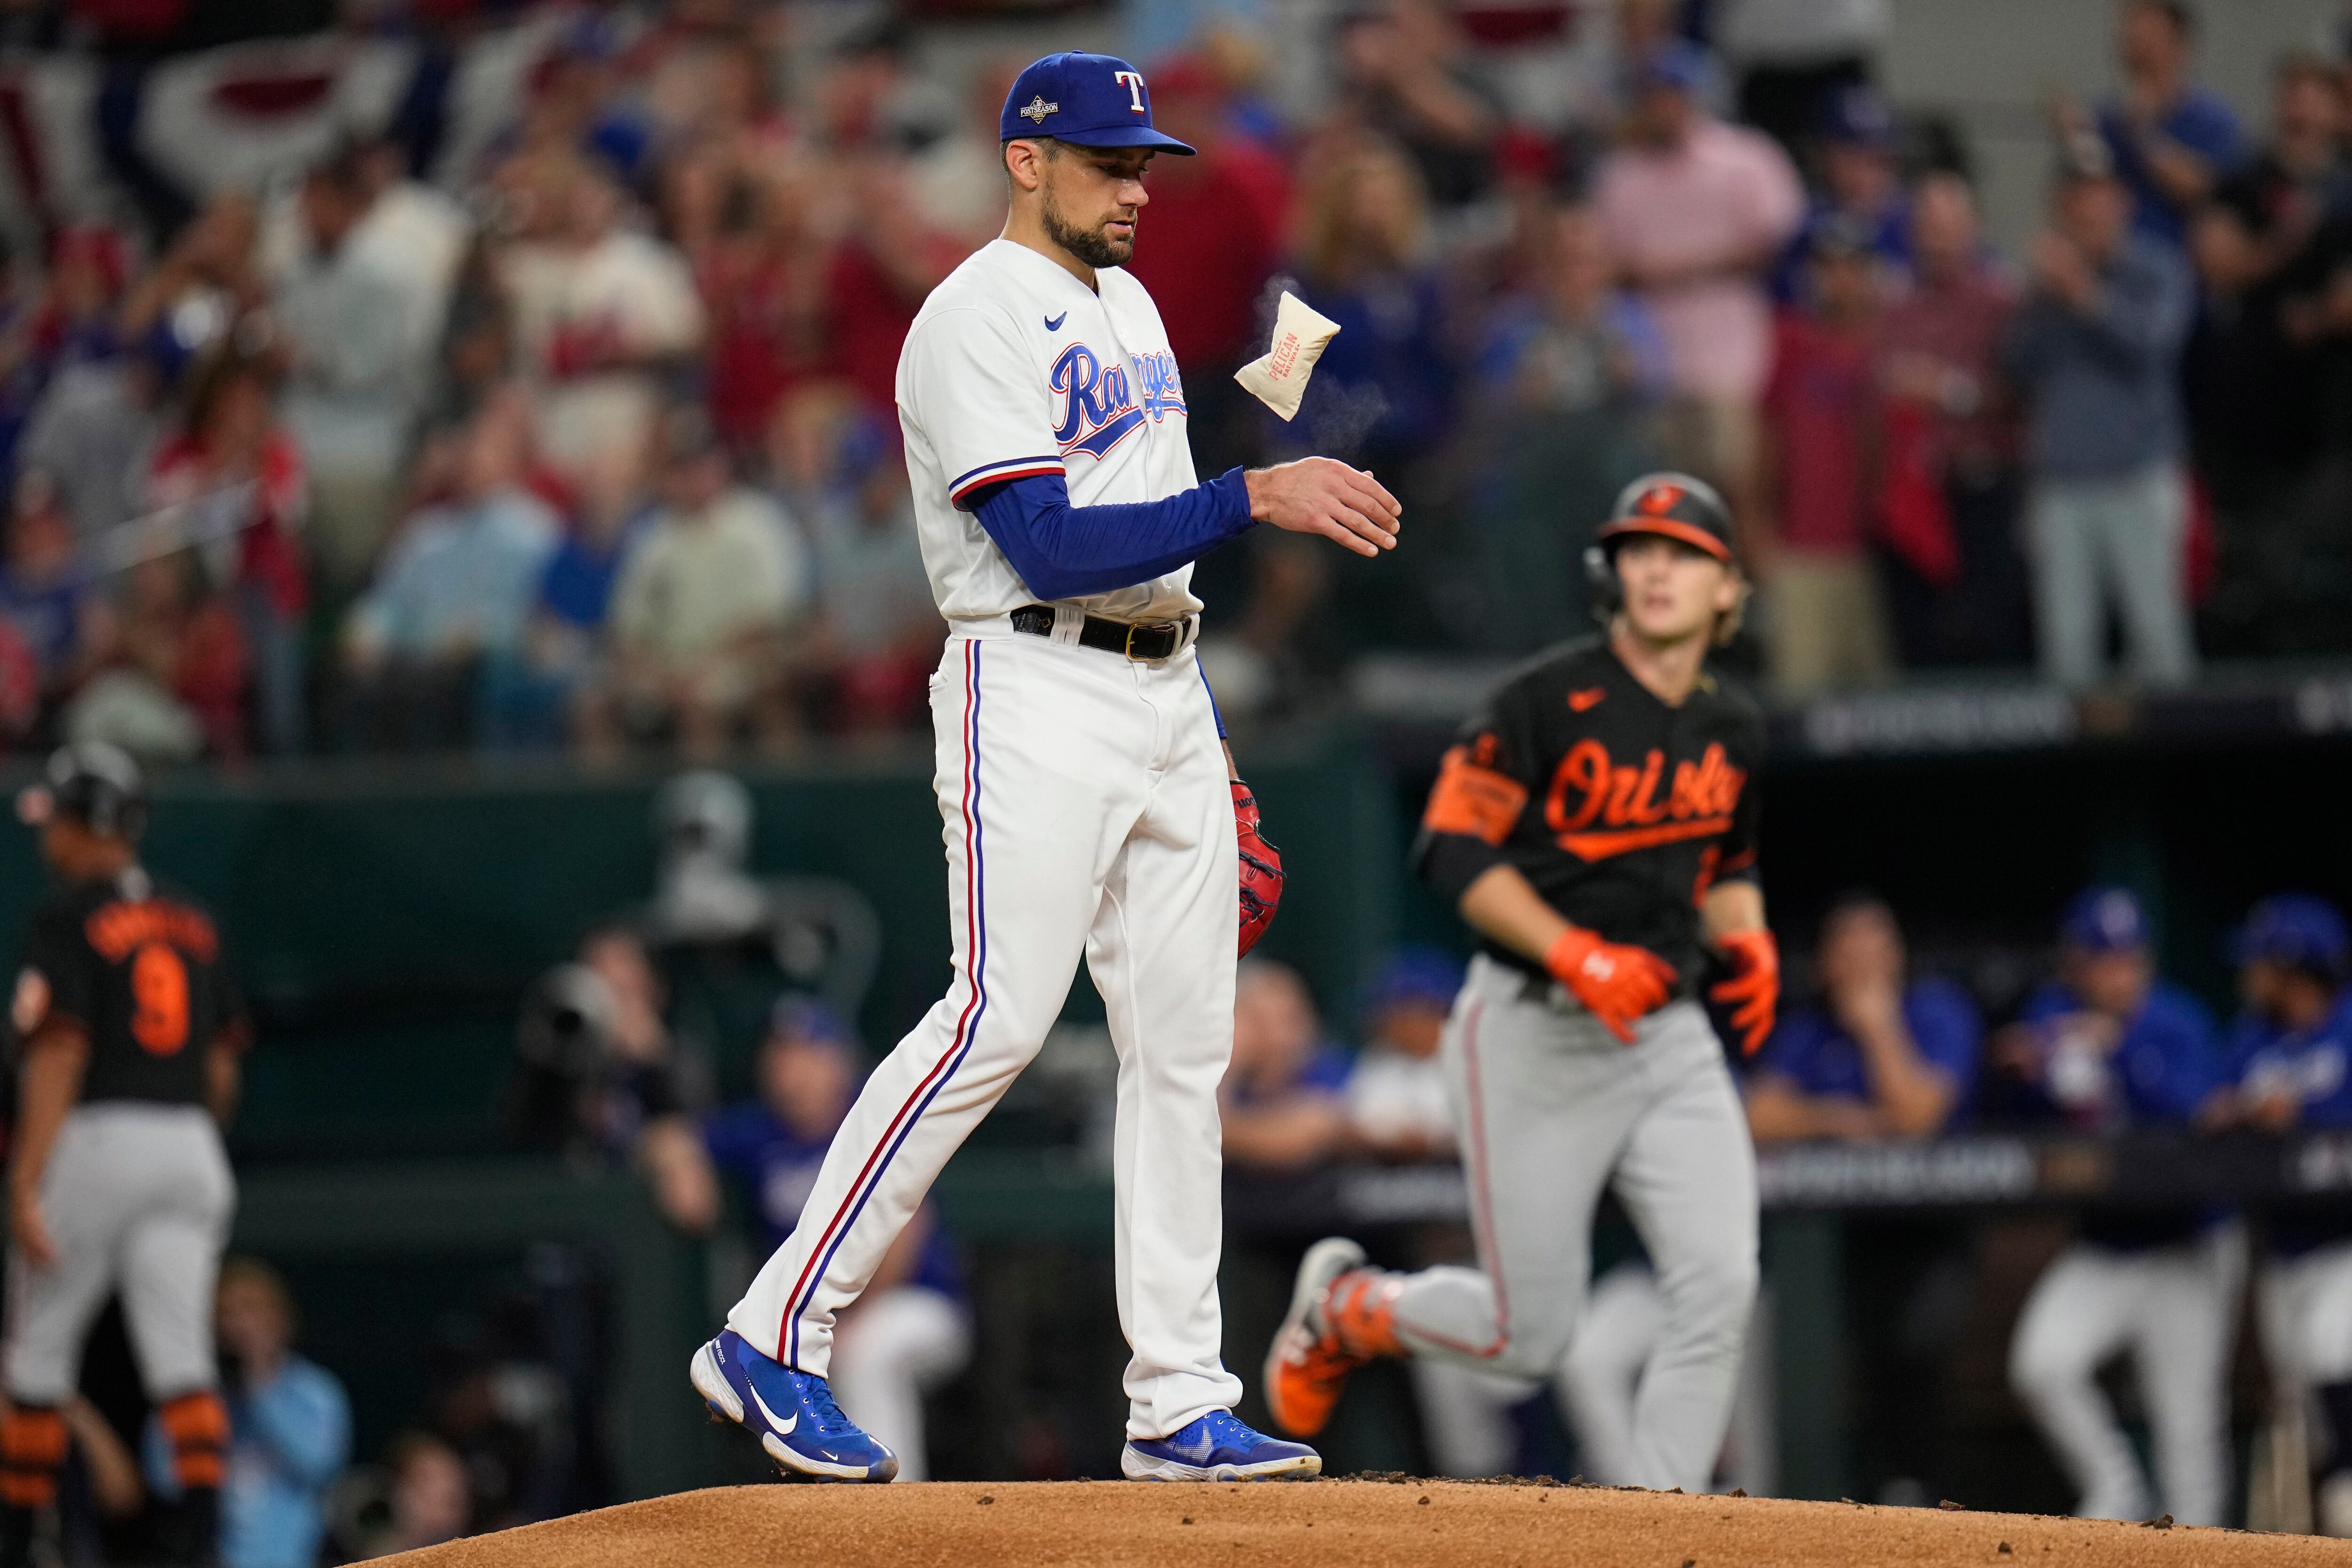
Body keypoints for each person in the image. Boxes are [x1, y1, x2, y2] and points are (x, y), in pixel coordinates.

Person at [691, 51, 1399, 1487]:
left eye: (1143, 163)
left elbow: (1147, 533)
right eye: (1105, 160)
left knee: (1182, 1050)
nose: (1135, 187)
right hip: (1025, 671)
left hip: (1158, 685)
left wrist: (1191, 728)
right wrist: (1255, 490)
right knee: (996, 1016)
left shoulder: (1128, 304)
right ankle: (771, 1332)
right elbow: (1053, 545)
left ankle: (1177, 1400)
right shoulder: (966, 319)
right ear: (1024, 158)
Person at [1264, 472, 1772, 1495]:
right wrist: (1575, 951)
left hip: (1665, 1038)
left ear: (1729, 591)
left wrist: (1748, 939)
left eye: (1686, 554)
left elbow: (1721, 865)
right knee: (1527, 1334)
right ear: (1611, 577)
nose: (1659, 569)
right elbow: (1451, 846)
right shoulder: (1544, 701)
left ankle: (1664, 1520)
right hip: (1532, 1033)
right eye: (1641, 551)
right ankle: (1352, 1306)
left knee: (1720, 1284)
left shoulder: (1731, 726)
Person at [0, 742, 245, 1568]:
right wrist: (192, 1136)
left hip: (100, 1135)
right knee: (182, 1358)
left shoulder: (66, 917)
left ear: (88, 823)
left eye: (57, 819)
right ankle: (207, 1543)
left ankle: (25, 1541)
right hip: (190, 1143)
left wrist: (26, 1178)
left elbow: (58, 1052)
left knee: (35, 1355)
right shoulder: (194, 919)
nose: (48, 839)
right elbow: (219, 1065)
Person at [1998, 886, 2236, 1526]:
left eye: (2127, 958)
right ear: (2075, 964)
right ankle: (2120, 1486)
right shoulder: (2055, 1017)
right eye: (2101, 959)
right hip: (2105, 1245)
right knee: (2042, 1365)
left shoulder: (2178, 1021)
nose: (2116, 973)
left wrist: (2119, 1049)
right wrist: (2021, 1072)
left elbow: (2197, 1116)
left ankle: (2204, 1549)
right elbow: (2029, 1116)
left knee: (2187, 1422)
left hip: (2186, 1245)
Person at [703, 999, 970, 1482]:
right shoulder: (762, 1129)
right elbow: (669, 1138)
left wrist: (838, 1322)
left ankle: (895, 1510)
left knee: (867, 1353)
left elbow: (905, 1241)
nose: (793, 1070)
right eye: (782, 1055)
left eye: (808, 1054)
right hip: (817, 1322)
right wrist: (679, 1166)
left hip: (911, 1303)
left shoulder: (870, 1117)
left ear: (840, 1062)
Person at [2002, 136, 2196, 690]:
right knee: (2066, 652)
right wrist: (2044, 295)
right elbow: (2017, 364)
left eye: (2098, 194)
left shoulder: (2154, 268)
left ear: (2122, 202)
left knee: (2157, 641)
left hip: (2138, 477)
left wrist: (2084, 294)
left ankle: (2181, 772)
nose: (2087, 207)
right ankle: (2075, 778)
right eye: (2075, 196)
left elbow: (2153, 344)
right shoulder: (2043, 286)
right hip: (2061, 485)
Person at [1593, 43, 1804, 526]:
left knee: (1736, 491)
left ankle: (1752, 599)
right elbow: (1607, 266)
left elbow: (1777, 241)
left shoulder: (1743, 157)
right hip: (1652, 363)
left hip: (1731, 360)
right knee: (1661, 502)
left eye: (1670, 94)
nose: (1661, 107)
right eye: (1650, 96)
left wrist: (1672, 272)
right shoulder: (1618, 175)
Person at [2221, 896, 2352, 1536]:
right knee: (2298, 1406)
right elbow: (2214, 1105)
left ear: (2296, 965)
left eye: (2263, 959)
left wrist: (2304, 1121)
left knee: (2335, 1351)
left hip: (2346, 1244)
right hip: (2283, 1251)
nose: (2251, 971)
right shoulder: (2253, 1037)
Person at [578, 407, 810, 760]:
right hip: (664, 670)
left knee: (704, 707)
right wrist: (664, 675)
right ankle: (608, 814)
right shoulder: (652, 535)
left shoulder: (757, 522)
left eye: (701, 464)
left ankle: (715, 812)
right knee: (591, 707)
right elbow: (626, 629)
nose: (692, 476)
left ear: (722, 466)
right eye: (682, 467)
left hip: (739, 663)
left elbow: (774, 618)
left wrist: (702, 670)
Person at [1874, 173, 2029, 669]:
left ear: (1972, 229)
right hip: (1915, 493)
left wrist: (1945, 391)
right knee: (1919, 643)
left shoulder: (2001, 302)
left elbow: (2021, 396)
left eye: (1947, 226)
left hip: (1982, 487)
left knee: (1992, 632)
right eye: (1926, 227)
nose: (1936, 239)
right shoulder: (1896, 309)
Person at [1756, 216, 1896, 697]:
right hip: (1800, 555)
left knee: (1877, 704)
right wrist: (1756, 531)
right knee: (1799, 698)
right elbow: (1764, 440)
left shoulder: (1889, 344)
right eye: (1829, 268)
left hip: (1876, 555)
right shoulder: (1793, 343)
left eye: (1851, 268)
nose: (1840, 280)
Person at [149, 1258, 349, 1568]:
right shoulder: (198, 1398)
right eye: (227, 1313)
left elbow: (319, 1466)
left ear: (281, 1320)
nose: (238, 1324)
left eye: (250, 1310)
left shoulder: (314, 1392)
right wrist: (190, 1388)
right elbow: (162, 1477)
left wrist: (259, 1383)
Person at [1745, 893, 1981, 1142]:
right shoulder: (1806, 1029)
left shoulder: (1939, 1010)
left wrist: (1877, 1027)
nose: (1863, 970)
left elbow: (1917, 1119)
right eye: (1850, 957)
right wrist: (1841, 1120)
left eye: (1873, 956)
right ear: (1823, 966)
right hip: (1826, 1176)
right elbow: (1757, 1117)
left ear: (1897, 956)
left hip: (1937, 1177)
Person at [2090, 0, 2245, 253]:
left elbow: (2207, 193)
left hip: (2181, 263)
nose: (2136, 45)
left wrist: (2142, 134)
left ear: (2180, 43)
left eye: (2149, 35)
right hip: (2111, 263)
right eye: (2130, 34)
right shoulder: (2106, 118)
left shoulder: (2213, 120)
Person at [1220, 959, 1353, 1172]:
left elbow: (1304, 1135)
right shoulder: (1237, 1076)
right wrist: (1232, 1055)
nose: (1277, 1034)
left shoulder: (1328, 1067)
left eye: (1287, 1017)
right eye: (1259, 1021)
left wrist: (1225, 1131)